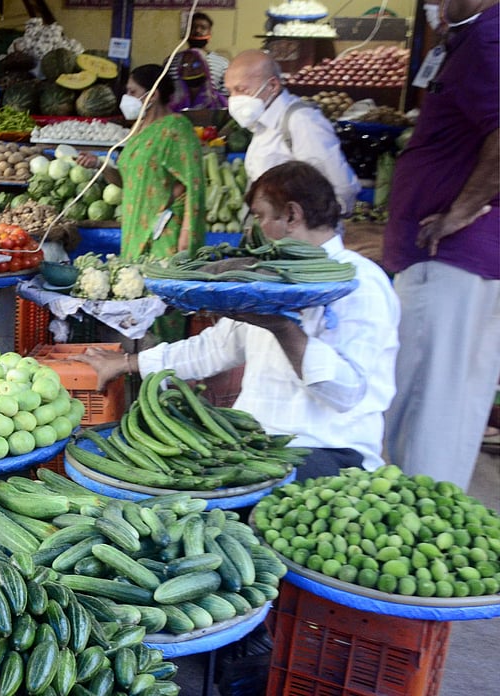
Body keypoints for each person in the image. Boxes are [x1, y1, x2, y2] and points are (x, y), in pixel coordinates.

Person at [72, 162, 400, 480]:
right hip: (257, 442)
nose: (258, 230)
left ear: (291, 215)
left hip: (327, 449)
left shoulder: (360, 283)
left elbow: (346, 393)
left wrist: (283, 328)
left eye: (260, 216)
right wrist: (128, 363)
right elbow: (216, 347)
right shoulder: (266, 281)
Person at [383, 0, 499, 491]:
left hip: (448, 258)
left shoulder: (491, 39)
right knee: (444, 405)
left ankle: (409, 524)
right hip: (456, 259)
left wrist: (459, 209)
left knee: (427, 411)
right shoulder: (475, 39)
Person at [78, 65, 205, 260]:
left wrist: (186, 238)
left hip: (164, 231)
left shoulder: (177, 129)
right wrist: (99, 165)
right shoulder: (138, 131)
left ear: (152, 95)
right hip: (134, 229)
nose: (126, 97)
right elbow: (127, 181)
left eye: (132, 91)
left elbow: (194, 185)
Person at [224, 50, 360, 215]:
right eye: (230, 91)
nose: (234, 99)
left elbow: (341, 187)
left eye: (241, 90)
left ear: (273, 86)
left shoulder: (302, 121)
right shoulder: (263, 123)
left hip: (300, 235)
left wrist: (310, 229)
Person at [167, 12, 229, 93]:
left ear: (210, 33)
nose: (197, 30)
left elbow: (226, 97)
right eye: (193, 27)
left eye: (203, 28)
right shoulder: (171, 62)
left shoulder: (222, 64)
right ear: (186, 32)